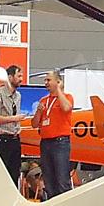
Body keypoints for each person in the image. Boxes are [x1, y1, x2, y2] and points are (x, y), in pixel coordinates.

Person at [34, 70, 75, 199]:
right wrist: (39, 112)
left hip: (60, 143)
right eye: (45, 80)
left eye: (48, 80)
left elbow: (66, 108)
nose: (45, 83)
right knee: (49, 180)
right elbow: (35, 124)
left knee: (62, 179)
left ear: (58, 82)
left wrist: (58, 91)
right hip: (45, 143)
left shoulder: (67, 97)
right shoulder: (43, 100)